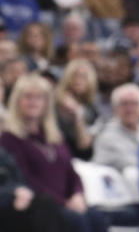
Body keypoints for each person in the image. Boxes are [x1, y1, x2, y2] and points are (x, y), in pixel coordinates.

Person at [0, 73, 106, 232]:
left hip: (65, 203)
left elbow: (72, 174)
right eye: (28, 97)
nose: (33, 102)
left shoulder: (55, 137)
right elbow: (23, 178)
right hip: (41, 207)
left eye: (39, 97)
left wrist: (77, 195)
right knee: (74, 219)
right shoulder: (9, 138)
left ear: (47, 103)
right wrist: (63, 202)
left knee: (96, 217)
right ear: (17, 101)